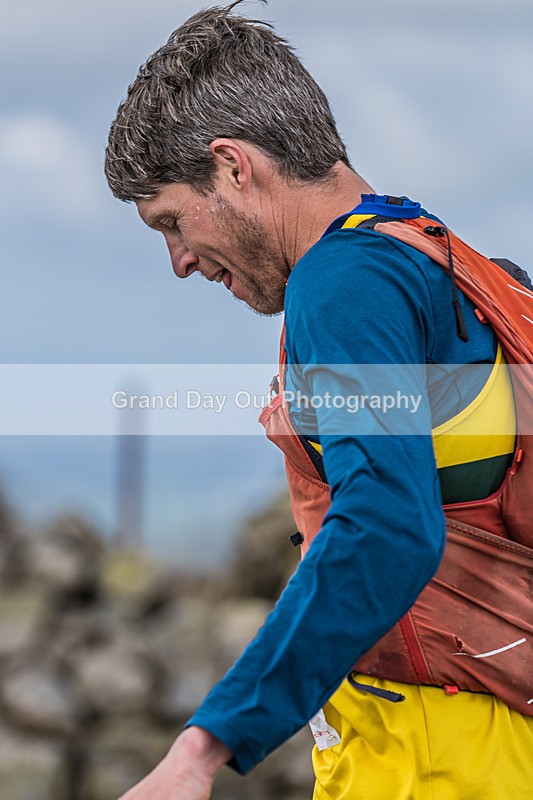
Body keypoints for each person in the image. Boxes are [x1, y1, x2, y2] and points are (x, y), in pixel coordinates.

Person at [104, 3, 533, 798]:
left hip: (439, 760)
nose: (179, 262)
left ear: (233, 165)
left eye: (171, 221)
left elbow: (386, 524)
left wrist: (200, 750)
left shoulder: (342, 281)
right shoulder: (463, 269)